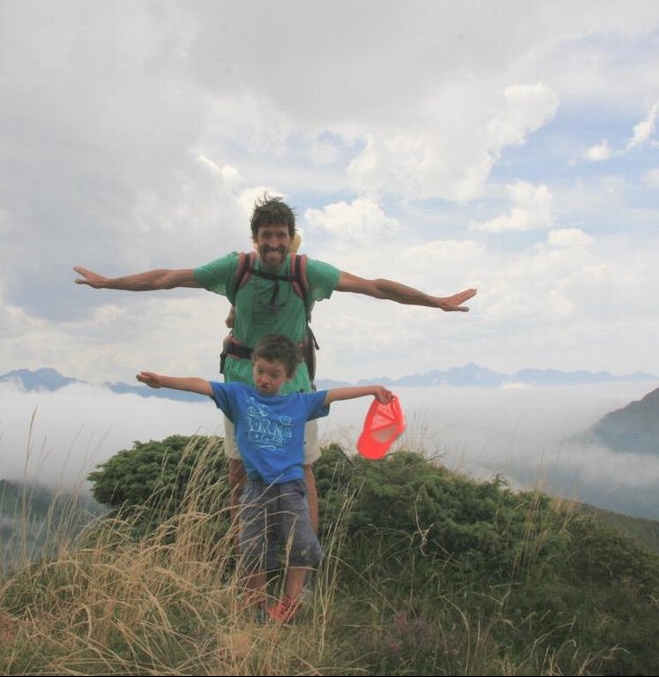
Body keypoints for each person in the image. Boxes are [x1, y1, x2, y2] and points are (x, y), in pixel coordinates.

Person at [74, 194, 476, 535]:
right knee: (239, 473)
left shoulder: (306, 271)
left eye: (280, 236)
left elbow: (373, 287)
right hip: (243, 387)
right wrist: (109, 283)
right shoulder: (235, 268)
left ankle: (304, 557)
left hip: (295, 388)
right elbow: (167, 278)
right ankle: (246, 553)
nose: (273, 243)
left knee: (303, 475)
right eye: (266, 236)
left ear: (289, 239)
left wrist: (434, 301)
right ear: (255, 239)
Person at [136, 333, 395, 623]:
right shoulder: (238, 396)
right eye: (260, 371)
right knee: (251, 547)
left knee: (301, 547)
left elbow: (334, 394)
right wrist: (162, 381)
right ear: (252, 368)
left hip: (290, 488)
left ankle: (291, 602)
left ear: (288, 376)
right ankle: (255, 599)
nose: (265, 379)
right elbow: (203, 385)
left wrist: (372, 389)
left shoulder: (298, 403)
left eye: (274, 374)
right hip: (255, 488)